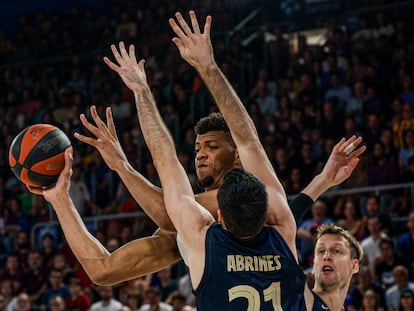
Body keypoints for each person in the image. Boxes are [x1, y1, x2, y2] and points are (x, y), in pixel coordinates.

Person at [28, 10, 365, 310]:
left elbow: (167, 206)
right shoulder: (275, 216)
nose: (201, 153)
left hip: (212, 258)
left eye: (212, 146)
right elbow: (269, 180)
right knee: (107, 269)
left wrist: (123, 159)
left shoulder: (202, 228)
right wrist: (321, 182)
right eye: (198, 147)